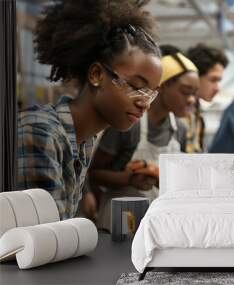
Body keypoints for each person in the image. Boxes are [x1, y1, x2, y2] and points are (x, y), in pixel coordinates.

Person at [16, 0, 162, 220]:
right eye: (136, 87)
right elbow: (45, 238)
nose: (145, 103)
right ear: (96, 75)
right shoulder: (39, 132)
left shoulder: (84, 140)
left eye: (152, 93)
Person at [89, 45, 199, 229]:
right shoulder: (128, 123)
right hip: (122, 222)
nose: (191, 100)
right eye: (185, 91)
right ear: (161, 87)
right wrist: (129, 179)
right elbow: (94, 174)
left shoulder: (178, 128)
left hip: (160, 222)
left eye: (194, 94)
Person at [183, 44, 229, 153]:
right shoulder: (178, 112)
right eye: (213, 80)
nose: (217, 88)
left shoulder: (197, 112)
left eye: (219, 81)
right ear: (194, 76)